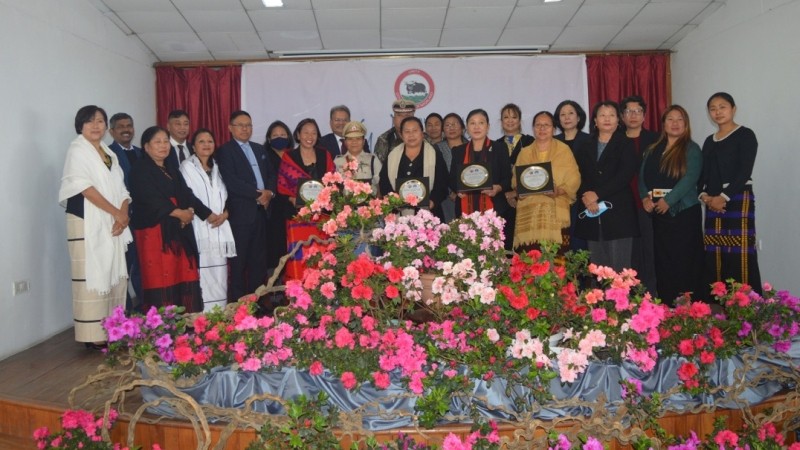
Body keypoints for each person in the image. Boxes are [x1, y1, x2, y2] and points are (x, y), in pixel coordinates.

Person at [59, 105, 132, 348]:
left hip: (113, 220)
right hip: (86, 220)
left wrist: (123, 214)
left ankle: (113, 329)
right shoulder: (77, 150)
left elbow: (121, 188)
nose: (96, 125)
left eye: (100, 121)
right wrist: (116, 213)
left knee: (113, 273)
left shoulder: (108, 153)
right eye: (89, 121)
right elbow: (84, 187)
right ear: (80, 125)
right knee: (91, 274)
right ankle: (93, 335)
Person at [130, 126, 219, 313]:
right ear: (146, 146)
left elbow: (186, 194)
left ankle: (186, 319)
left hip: (179, 230)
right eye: (157, 142)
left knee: (184, 273)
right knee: (161, 276)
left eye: (165, 141)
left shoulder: (171, 168)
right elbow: (149, 198)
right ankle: (162, 323)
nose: (163, 145)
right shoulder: (140, 169)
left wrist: (205, 213)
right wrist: (179, 213)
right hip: (155, 232)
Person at [639, 105, 704, 306]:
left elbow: (690, 178)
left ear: (686, 124)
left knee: (684, 260)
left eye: (679, 119)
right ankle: (667, 304)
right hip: (660, 214)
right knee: (664, 260)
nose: (675, 123)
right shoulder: (652, 149)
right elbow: (642, 177)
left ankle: (688, 308)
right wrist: (645, 198)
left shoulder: (691, 149)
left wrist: (669, 200)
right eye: (670, 119)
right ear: (663, 124)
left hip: (684, 213)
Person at [698, 92, 762, 295]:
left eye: (722, 107)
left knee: (739, 253)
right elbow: (703, 174)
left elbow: (744, 171)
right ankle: (717, 303)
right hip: (712, 201)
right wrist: (705, 197)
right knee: (714, 252)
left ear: (733, 109)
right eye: (713, 109)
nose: (718, 112)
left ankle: (745, 304)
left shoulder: (745, 135)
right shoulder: (709, 141)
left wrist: (723, 197)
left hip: (737, 197)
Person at [216, 110, 277, 302]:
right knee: (239, 263)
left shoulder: (260, 149)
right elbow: (231, 181)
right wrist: (258, 195)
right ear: (230, 128)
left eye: (248, 125)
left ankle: (257, 303)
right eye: (240, 125)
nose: (245, 129)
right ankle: (238, 305)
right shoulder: (225, 151)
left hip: (262, 213)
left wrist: (270, 193)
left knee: (259, 262)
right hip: (240, 215)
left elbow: (271, 175)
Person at [573, 101, 639, 272]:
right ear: (595, 120)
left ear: (618, 120)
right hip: (591, 209)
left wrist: (597, 194)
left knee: (620, 268)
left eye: (611, 115)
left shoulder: (625, 143)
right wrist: (587, 196)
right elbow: (577, 174)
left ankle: (621, 292)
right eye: (602, 115)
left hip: (618, 213)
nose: (607, 119)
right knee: (598, 268)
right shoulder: (585, 144)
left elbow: (625, 175)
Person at [180, 129, 236, 312]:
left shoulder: (219, 167)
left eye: (210, 141)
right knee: (203, 273)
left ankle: (220, 313)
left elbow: (230, 193)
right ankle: (203, 315)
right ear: (193, 146)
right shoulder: (187, 167)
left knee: (220, 273)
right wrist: (207, 214)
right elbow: (187, 195)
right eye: (201, 141)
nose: (206, 145)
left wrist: (226, 214)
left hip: (220, 225)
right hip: (199, 224)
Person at [512, 111, 580, 253]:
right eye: (538, 125)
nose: (542, 128)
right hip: (529, 215)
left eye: (546, 125)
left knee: (556, 260)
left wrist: (559, 191)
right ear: (533, 128)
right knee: (529, 259)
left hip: (555, 215)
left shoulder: (564, 150)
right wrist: (519, 190)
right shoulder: (524, 152)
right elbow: (515, 180)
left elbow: (574, 179)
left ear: (554, 129)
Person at [278, 118, 335, 280]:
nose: (310, 136)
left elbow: (332, 181)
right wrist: (293, 199)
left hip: (322, 217)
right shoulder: (289, 156)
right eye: (306, 132)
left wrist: (326, 198)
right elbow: (282, 185)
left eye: (314, 133)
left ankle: (322, 289)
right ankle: (298, 291)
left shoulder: (325, 155)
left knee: (322, 256)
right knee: (299, 256)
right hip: (298, 216)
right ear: (298, 135)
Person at [621, 95, 660, 295]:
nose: (633, 115)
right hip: (623, 205)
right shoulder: (616, 140)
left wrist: (655, 197)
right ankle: (629, 295)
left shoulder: (656, 140)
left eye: (638, 111)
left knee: (650, 250)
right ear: (622, 116)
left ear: (644, 115)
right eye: (629, 111)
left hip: (648, 203)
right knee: (628, 252)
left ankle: (651, 294)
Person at [380, 116, 449, 221]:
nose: (411, 135)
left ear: (422, 133)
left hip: (429, 214)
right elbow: (384, 183)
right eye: (407, 131)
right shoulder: (392, 156)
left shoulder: (435, 154)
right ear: (401, 135)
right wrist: (393, 202)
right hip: (398, 215)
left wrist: (433, 201)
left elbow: (442, 182)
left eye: (415, 131)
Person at [450, 109, 511, 225]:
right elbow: (452, 179)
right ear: (467, 128)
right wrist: (458, 189)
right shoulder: (458, 151)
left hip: (495, 207)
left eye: (481, 123)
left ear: (488, 127)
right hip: (464, 207)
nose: (476, 127)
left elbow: (508, 178)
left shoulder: (500, 148)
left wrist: (498, 188)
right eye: (472, 123)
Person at [107, 112, 142, 311]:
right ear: (112, 131)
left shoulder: (142, 153)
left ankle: (144, 308)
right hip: (123, 218)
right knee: (124, 267)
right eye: (121, 127)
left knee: (142, 265)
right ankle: (125, 310)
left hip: (143, 218)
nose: (126, 130)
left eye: (129, 125)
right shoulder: (108, 154)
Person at [554, 100, 591, 252]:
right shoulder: (553, 142)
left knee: (579, 242)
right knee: (560, 243)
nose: (567, 117)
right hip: (558, 197)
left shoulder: (590, 140)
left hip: (582, 197)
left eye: (571, 113)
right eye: (562, 114)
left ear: (579, 117)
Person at [499, 104, 535, 250]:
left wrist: (516, 193)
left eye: (514, 117)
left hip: (526, 198)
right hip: (502, 200)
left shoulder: (530, 142)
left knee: (525, 245)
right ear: (501, 121)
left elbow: (535, 173)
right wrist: (506, 194)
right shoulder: (495, 145)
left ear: (520, 120)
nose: (510, 120)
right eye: (506, 117)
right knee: (504, 243)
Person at [263, 120, 296, 274]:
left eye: (283, 134)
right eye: (275, 135)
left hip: (293, 208)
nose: (279, 137)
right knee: (275, 248)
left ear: (289, 137)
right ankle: (275, 284)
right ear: (269, 139)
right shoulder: (264, 156)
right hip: (273, 208)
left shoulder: (295, 155)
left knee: (292, 247)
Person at [334, 121, 382, 194]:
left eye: (358, 138)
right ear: (345, 142)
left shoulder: (373, 159)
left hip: (369, 200)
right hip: (344, 201)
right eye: (350, 139)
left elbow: (380, 185)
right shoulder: (337, 162)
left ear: (363, 141)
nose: (354, 142)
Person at [437, 113, 467, 223]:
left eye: (454, 124)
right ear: (443, 130)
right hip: (446, 197)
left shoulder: (471, 146)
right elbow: (438, 175)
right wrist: (450, 193)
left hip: (468, 196)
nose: (451, 128)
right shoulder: (437, 149)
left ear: (462, 128)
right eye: (447, 125)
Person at [374, 99, 416, 164]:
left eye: (407, 115)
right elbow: (378, 166)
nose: (403, 119)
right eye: (399, 115)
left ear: (414, 119)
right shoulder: (384, 139)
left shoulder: (424, 138)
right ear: (393, 119)